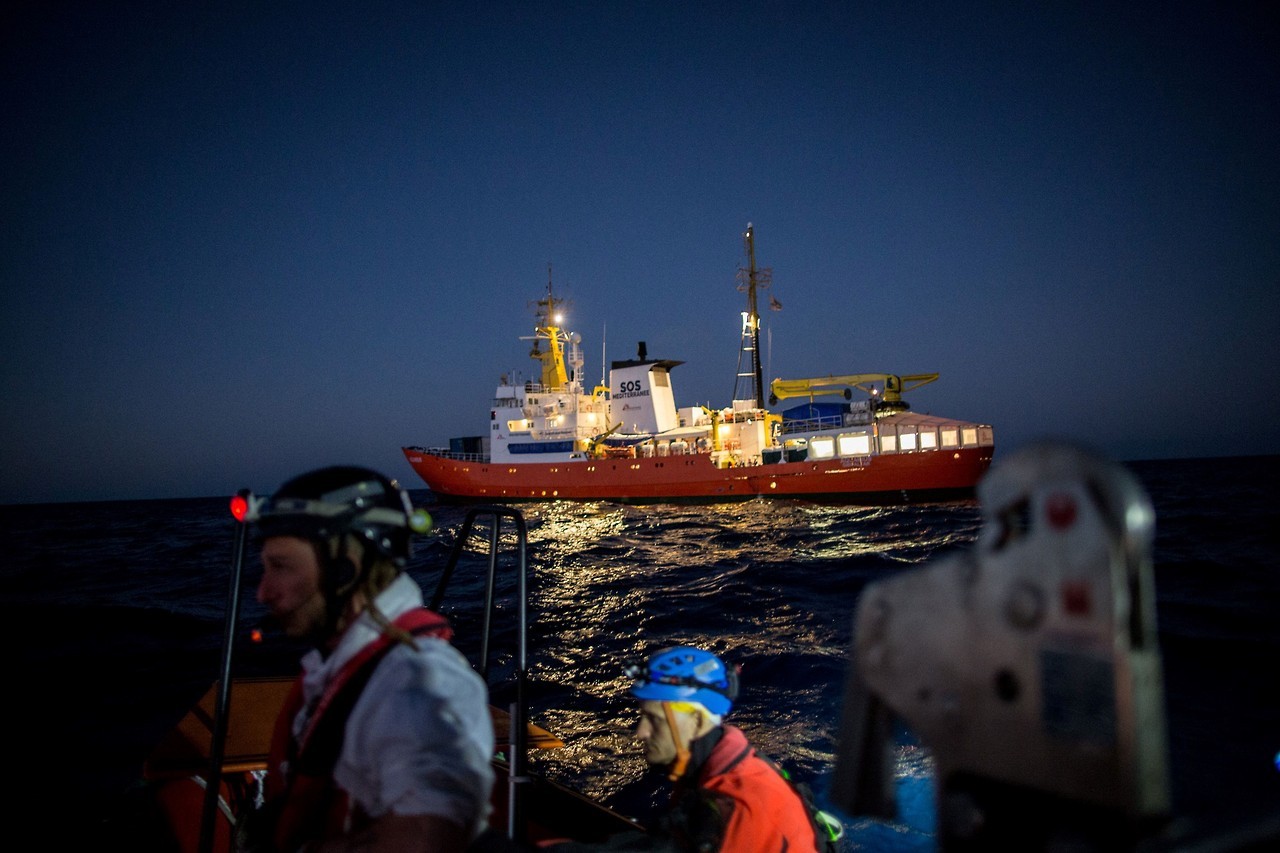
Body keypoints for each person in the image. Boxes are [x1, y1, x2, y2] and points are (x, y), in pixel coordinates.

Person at [238, 465, 495, 853]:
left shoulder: (417, 680)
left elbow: (429, 833)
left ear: (346, 569)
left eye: (282, 567)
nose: (263, 592)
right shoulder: (344, 664)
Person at [625, 646, 829, 853]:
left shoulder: (737, 808)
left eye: (654, 720)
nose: (641, 732)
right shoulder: (708, 773)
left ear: (696, 723)